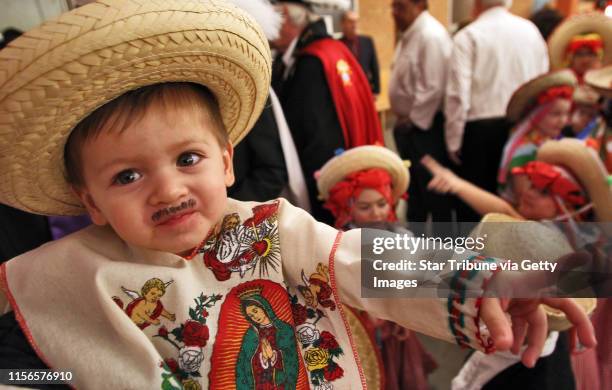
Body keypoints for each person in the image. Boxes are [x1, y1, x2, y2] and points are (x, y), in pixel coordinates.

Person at [0, 1, 597, 389]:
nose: (169, 188)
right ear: (92, 202)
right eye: (126, 176)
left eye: (188, 159)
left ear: (228, 162)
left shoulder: (268, 229)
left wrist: (488, 279)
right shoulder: (59, 278)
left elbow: (364, 260)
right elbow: (31, 371)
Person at [423, 139, 610, 389]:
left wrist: (458, 184)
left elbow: (504, 212)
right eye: (531, 184)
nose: (528, 192)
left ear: (569, 206)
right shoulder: (541, 231)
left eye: (543, 191)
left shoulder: (563, 247)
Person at [317, 145, 437, 390]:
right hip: (363, 331)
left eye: (382, 204)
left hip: (399, 326)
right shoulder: (339, 245)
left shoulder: (401, 237)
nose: (376, 213)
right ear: (346, 208)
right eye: (364, 207)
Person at [270, 0, 384, 225]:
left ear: (283, 15)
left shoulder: (311, 62)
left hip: (326, 193)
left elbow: (318, 141)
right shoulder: (331, 50)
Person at [445, 0, 549, 221]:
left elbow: (458, 95)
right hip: (523, 130)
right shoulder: (531, 31)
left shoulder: (469, 35)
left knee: (476, 210)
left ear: (477, 4)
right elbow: (543, 81)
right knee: (517, 206)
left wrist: (453, 141)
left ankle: (476, 254)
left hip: (480, 134)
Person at [389, 0, 453, 226]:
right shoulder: (410, 34)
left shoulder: (430, 35)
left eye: (400, 7)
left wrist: (412, 119)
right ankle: (416, 249)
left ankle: (443, 255)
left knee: (434, 197)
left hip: (424, 129)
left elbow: (433, 87)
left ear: (419, 5)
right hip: (410, 127)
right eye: (393, 7)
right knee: (415, 195)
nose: (394, 13)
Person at [498, 70, 577, 202]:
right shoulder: (525, 150)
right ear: (536, 115)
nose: (563, 121)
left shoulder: (548, 139)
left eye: (566, 114)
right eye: (556, 114)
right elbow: (524, 198)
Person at [548, 12, 612, 83]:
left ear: (600, 57)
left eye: (591, 54)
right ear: (570, 59)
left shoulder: (608, 85)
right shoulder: (562, 87)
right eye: (579, 54)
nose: (585, 60)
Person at [338, 10, 380, 95]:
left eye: (356, 21)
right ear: (342, 24)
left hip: (365, 89)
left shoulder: (367, 41)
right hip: (346, 91)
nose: (354, 25)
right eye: (350, 21)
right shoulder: (337, 45)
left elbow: (374, 66)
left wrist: (376, 90)